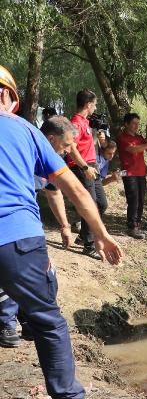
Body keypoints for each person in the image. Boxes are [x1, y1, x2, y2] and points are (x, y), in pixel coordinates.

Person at [0, 64, 123, 398]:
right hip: (17, 238)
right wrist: (101, 234)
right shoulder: (24, 130)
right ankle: (68, 394)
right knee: (48, 320)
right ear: (6, 97)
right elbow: (75, 191)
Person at [1, 116, 78, 348]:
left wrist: (65, 226)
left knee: (45, 276)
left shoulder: (47, 160)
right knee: (9, 272)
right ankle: (6, 324)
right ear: (51, 139)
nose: (67, 152)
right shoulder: (17, 147)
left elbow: (54, 192)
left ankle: (29, 320)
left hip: (27, 229)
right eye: (65, 146)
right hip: (8, 226)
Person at [67, 89, 106, 259]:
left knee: (102, 203)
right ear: (88, 105)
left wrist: (100, 139)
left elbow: (85, 145)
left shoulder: (85, 122)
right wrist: (84, 168)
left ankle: (84, 235)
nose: (95, 107)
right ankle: (89, 245)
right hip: (82, 168)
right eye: (94, 104)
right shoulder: (75, 122)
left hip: (92, 166)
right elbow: (71, 148)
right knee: (90, 203)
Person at [117, 113, 147, 239]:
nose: (136, 126)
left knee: (141, 200)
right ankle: (132, 226)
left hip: (141, 173)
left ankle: (138, 223)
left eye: (137, 123)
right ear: (126, 124)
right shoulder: (122, 138)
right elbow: (133, 149)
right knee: (133, 200)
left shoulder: (139, 137)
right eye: (134, 123)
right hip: (129, 173)